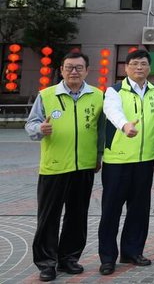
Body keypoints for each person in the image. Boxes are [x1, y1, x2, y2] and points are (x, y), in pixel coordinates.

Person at [25, 52, 104, 282]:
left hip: (85, 166)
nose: (74, 72)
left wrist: (98, 155)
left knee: (77, 216)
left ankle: (69, 257)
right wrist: (40, 129)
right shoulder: (47, 95)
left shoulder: (97, 96)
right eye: (69, 67)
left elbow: (101, 132)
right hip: (55, 167)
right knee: (49, 216)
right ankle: (46, 263)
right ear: (61, 70)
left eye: (79, 68)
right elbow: (31, 123)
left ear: (87, 70)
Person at [98, 49, 154, 276]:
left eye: (144, 64)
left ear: (149, 67)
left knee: (139, 209)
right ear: (126, 68)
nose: (139, 68)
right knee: (111, 210)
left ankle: (132, 251)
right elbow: (112, 111)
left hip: (145, 160)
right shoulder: (115, 91)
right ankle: (108, 257)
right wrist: (125, 125)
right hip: (117, 161)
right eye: (134, 64)